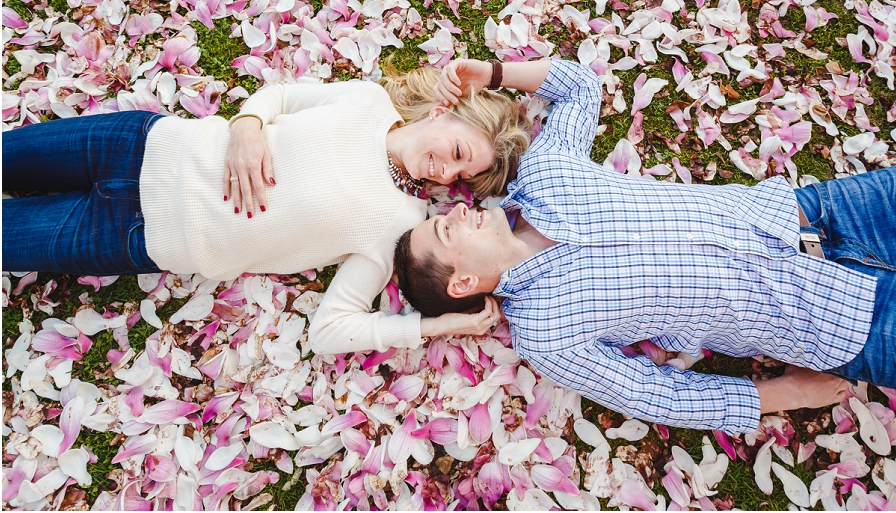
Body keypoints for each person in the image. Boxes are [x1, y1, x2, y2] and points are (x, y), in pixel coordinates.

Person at [394, 56, 896, 433]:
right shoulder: (547, 335)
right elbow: (656, 393)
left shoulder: (544, 178)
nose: (462, 209)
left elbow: (580, 87)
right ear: (462, 284)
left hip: (842, 212)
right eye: (448, 229)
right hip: (851, 328)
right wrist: (779, 395)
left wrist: (490, 74)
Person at [3, 67, 530, 355]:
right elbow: (277, 97)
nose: (444, 175)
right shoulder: (367, 102)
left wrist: (432, 328)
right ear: (443, 113)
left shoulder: (402, 223)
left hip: (133, 235)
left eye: (460, 178)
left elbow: (332, 330)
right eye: (457, 153)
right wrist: (247, 127)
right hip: (140, 145)